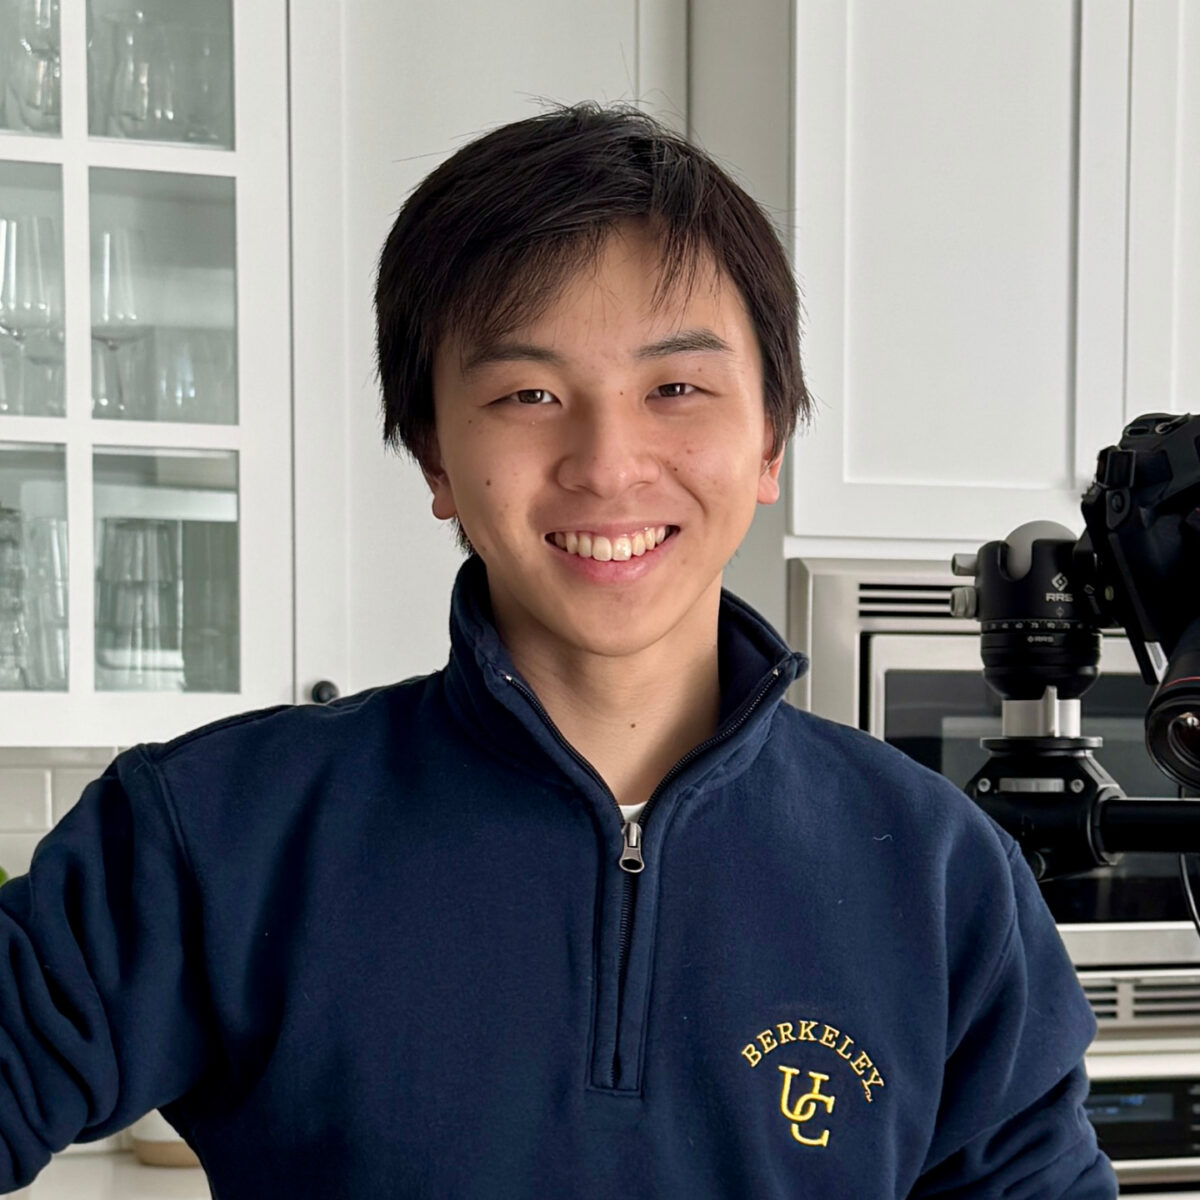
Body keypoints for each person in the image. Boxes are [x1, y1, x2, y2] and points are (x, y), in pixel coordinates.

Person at [0, 103, 1116, 1197]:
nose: (608, 460)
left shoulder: (940, 876)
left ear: (770, 437)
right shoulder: (214, 833)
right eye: (529, 393)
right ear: (435, 455)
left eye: (676, 388)